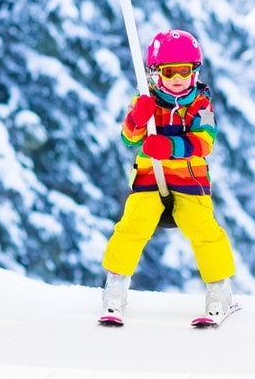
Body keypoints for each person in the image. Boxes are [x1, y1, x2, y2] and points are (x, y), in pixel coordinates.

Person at [100, 29, 236, 321]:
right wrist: (138, 118)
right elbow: (128, 138)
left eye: (184, 71)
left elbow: (205, 142)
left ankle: (219, 289)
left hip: (190, 183)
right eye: (169, 71)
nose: (177, 78)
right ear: (155, 72)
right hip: (150, 180)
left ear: (194, 71)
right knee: (132, 226)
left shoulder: (200, 104)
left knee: (204, 230)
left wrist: (170, 145)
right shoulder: (145, 99)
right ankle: (115, 287)